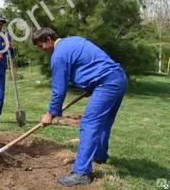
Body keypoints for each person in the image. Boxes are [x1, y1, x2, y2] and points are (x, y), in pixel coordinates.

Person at [32, 27, 128, 187]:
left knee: (89, 124)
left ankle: (81, 173)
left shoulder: (58, 56)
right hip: (119, 78)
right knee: (103, 122)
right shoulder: (72, 41)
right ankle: (99, 155)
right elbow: (92, 62)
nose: (41, 50)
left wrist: (50, 113)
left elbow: (59, 90)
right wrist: (92, 85)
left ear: (49, 39)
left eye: (41, 46)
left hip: (107, 83)